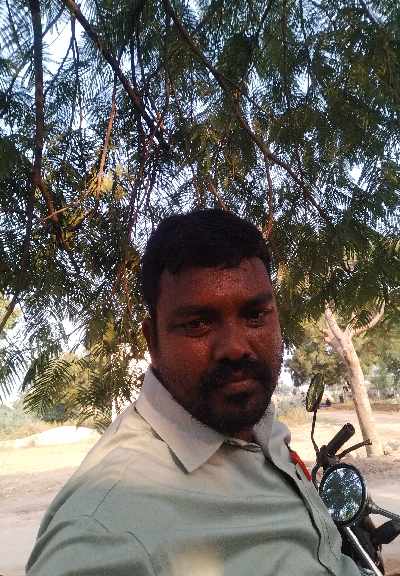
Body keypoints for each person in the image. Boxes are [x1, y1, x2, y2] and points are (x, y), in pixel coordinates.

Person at [26, 209, 361, 576]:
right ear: (153, 341)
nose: (235, 347)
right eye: (198, 323)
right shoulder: (104, 530)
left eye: (254, 315)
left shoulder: (258, 425)